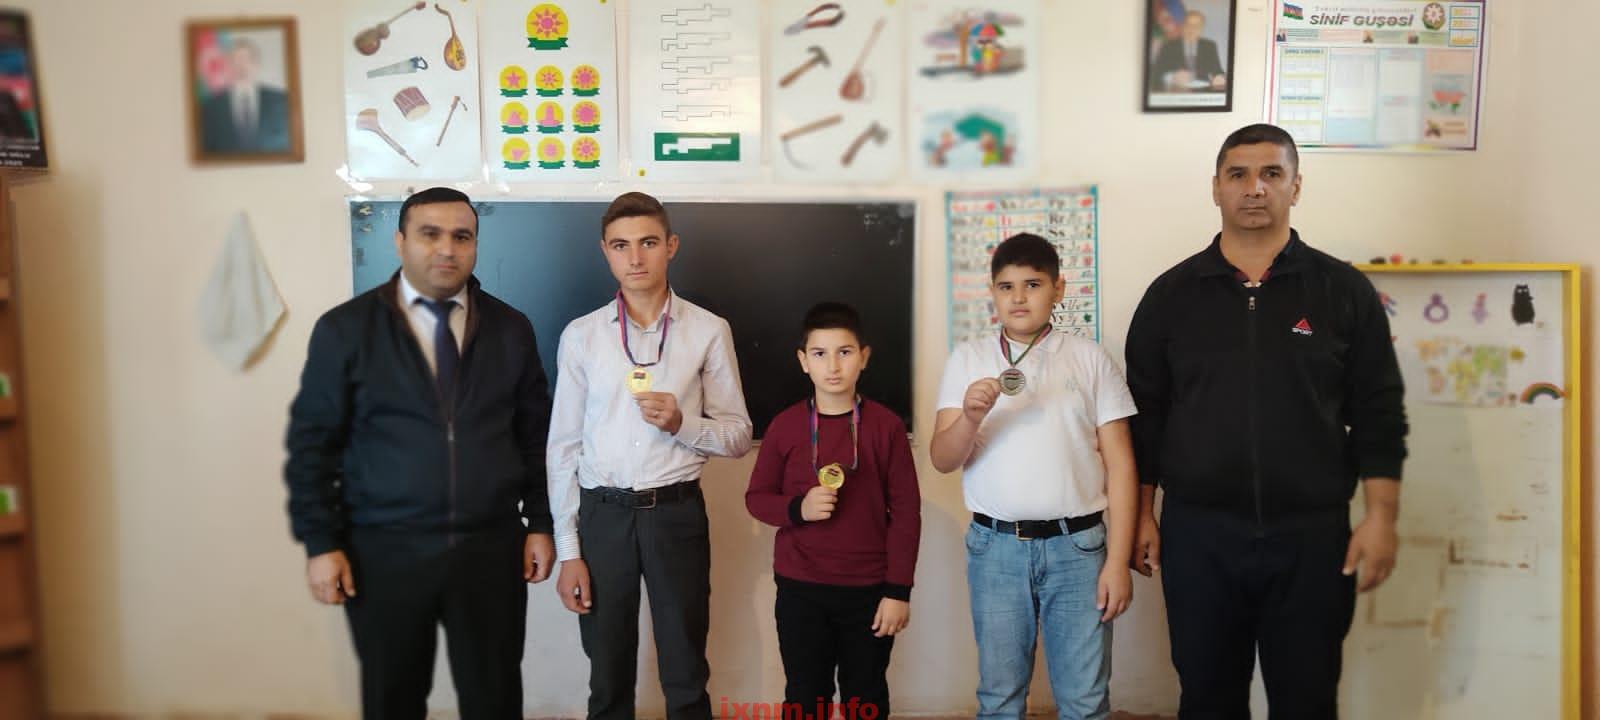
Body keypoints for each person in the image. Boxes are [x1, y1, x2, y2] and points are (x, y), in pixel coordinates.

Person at [1125, 123, 1408, 719]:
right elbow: (1146, 416)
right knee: (1208, 700)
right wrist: (1142, 514)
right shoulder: (1171, 296)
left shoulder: (1343, 291)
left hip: (1312, 537)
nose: (1254, 188)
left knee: (1307, 701)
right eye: (1239, 174)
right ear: (1216, 187)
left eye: (1271, 174)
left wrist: (1381, 517)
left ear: (1295, 186)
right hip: (1199, 537)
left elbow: (1379, 410)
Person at [284, 186, 556, 719]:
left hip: (489, 551)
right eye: (430, 234)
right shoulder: (346, 329)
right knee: (393, 700)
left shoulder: (510, 328)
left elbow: (535, 437)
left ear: (475, 245)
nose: (446, 249)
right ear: (400, 241)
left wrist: (541, 523)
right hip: (384, 553)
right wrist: (321, 542)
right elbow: (312, 444)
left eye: (462, 236)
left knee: (495, 700)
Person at [547, 191, 754, 720]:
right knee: (607, 672)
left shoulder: (708, 330)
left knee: (685, 670)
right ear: (605, 251)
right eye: (621, 246)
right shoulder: (581, 336)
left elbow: (738, 436)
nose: (635, 258)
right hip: (602, 515)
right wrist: (569, 550)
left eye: (648, 243)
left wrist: (684, 424)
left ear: (671, 245)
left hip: (675, 513)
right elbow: (563, 447)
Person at [930, 233, 1139, 720]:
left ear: (1058, 289)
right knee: (1000, 698)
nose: (1019, 297)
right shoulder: (968, 359)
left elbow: (1123, 466)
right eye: (1006, 287)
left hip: (1079, 549)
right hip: (996, 548)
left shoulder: (1089, 358)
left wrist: (1117, 562)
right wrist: (970, 417)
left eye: (1033, 284)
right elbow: (942, 458)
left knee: (1085, 701)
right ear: (992, 293)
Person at [745, 302, 921, 720]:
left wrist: (898, 591)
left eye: (845, 352)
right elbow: (757, 498)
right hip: (801, 590)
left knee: (866, 697)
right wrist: (798, 508)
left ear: (864, 356)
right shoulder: (785, 426)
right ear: (803, 361)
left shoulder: (887, 427)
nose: (833, 366)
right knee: (806, 697)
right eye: (820, 354)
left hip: (869, 592)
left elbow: (907, 513)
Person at [201, 36, 290, 153]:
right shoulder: (211, 106)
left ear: (257, 64)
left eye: (247, 59)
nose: (242, 66)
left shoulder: (281, 100)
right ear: (228, 66)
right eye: (235, 60)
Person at [1149, 10, 1227, 92]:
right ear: (1183, 25)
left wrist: (1220, 77)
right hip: (1175, 91)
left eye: (1197, 26)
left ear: (1201, 28)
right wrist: (1172, 77)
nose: (1192, 28)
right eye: (1188, 24)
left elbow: (1217, 70)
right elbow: (1156, 73)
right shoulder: (1168, 46)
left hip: (1203, 92)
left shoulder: (1209, 46)